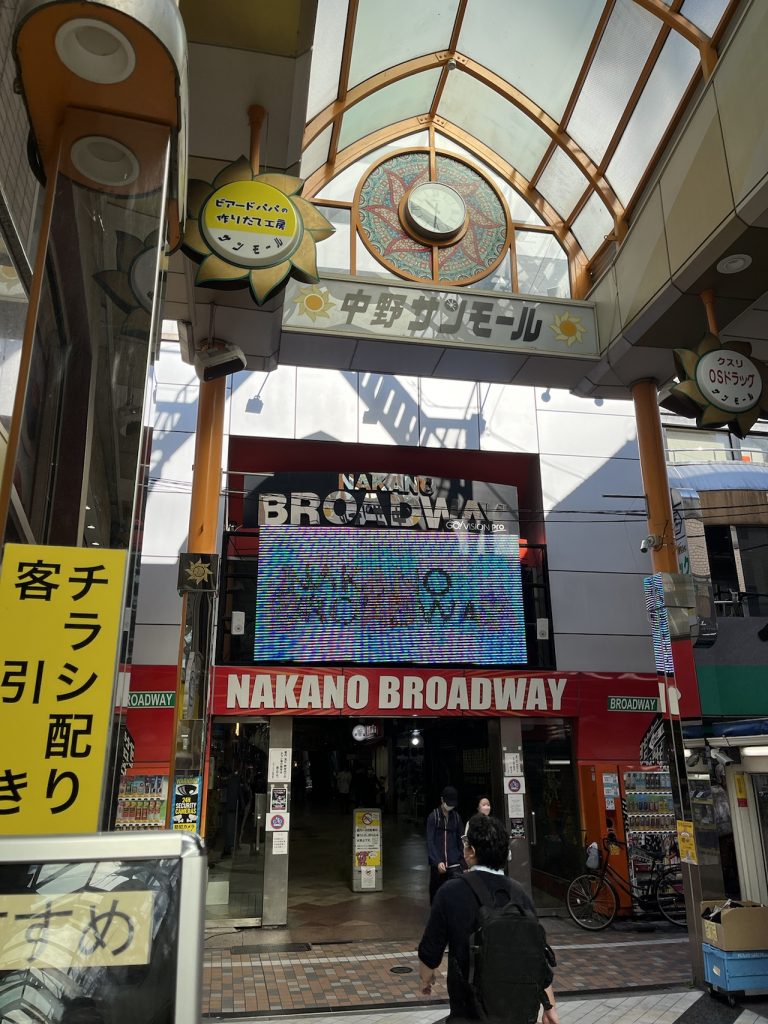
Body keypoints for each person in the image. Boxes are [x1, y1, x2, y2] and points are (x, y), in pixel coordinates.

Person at [418, 814, 559, 1024]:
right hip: (517, 1015)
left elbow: (430, 954)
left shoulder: (451, 892)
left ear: (472, 852)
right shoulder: (520, 895)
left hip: (469, 1015)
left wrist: (425, 980)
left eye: (466, 843)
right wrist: (550, 1007)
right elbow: (536, 956)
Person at [426, 785, 464, 904]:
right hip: (438, 865)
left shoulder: (457, 818)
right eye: (448, 802)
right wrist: (437, 861)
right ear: (442, 800)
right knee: (436, 896)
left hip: (454, 865)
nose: (450, 806)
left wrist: (463, 862)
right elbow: (430, 841)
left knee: (455, 897)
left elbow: (461, 840)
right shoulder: (434, 817)